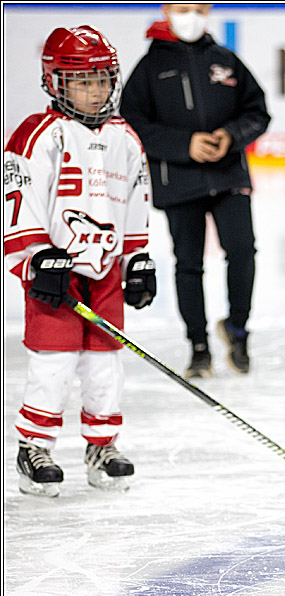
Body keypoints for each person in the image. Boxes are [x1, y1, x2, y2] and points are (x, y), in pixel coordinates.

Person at [4, 25, 156, 497]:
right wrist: (36, 258)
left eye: (101, 80)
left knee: (105, 363)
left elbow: (135, 202)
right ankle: (35, 447)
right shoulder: (38, 134)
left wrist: (137, 261)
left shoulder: (125, 137)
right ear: (56, 82)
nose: (94, 91)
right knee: (53, 361)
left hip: (105, 271)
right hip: (54, 270)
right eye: (81, 81)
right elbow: (17, 197)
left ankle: (102, 445)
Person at [120, 3, 270, 378]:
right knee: (188, 263)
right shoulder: (149, 68)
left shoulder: (225, 59)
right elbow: (131, 124)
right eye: (184, 8)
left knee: (242, 250)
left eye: (200, 9)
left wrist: (230, 136)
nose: (193, 16)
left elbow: (258, 112)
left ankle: (237, 330)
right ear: (167, 10)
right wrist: (183, 144)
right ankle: (198, 347)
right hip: (179, 182)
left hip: (228, 176)